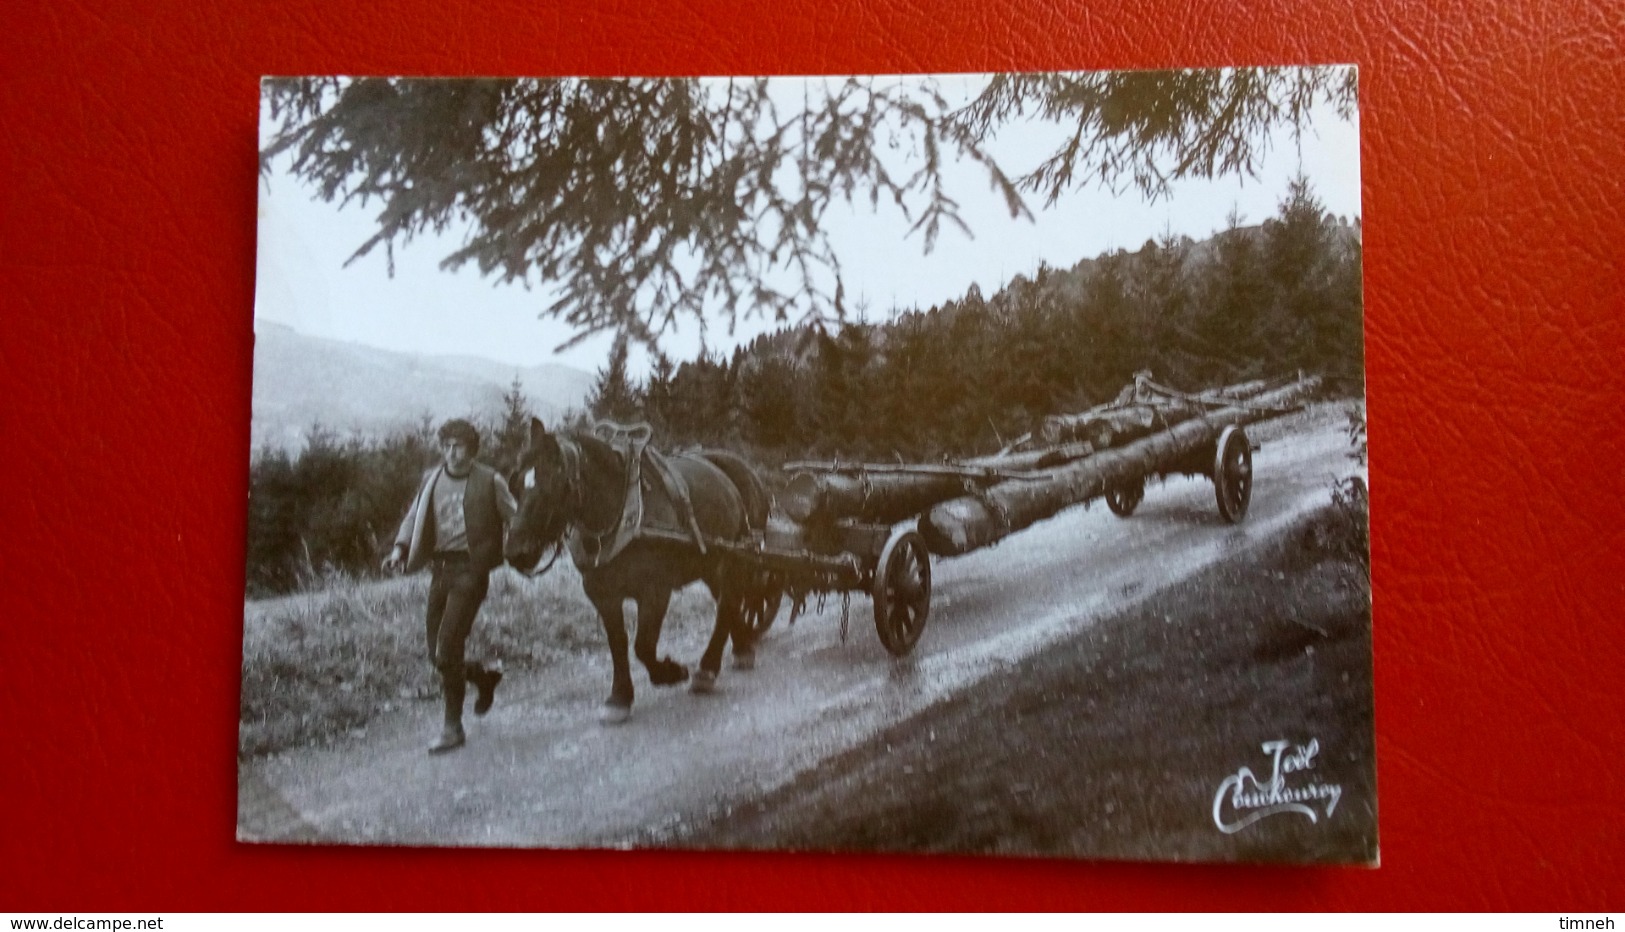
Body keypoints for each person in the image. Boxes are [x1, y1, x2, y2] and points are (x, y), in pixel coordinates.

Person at [383, 419, 519, 754]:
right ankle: (482, 677)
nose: (450, 451)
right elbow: (414, 518)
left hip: (471, 573)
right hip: (440, 571)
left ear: (472, 449)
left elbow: (516, 518)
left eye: (457, 445)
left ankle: (452, 728)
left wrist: (519, 547)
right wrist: (399, 550)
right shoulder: (432, 480)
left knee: (447, 648)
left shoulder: (490, 481)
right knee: (437, 654)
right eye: (446, 445)